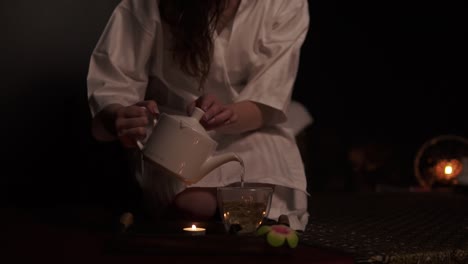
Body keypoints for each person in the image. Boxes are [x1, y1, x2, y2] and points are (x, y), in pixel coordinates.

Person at [87, 0, 310, 231]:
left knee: (262, 204)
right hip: (173, 129)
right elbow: (114, 89)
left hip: (247, 126)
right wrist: (121, 118)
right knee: (194, 205)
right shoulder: (147, 5)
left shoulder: (285, 4)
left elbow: (269, 97)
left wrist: (228, 113)